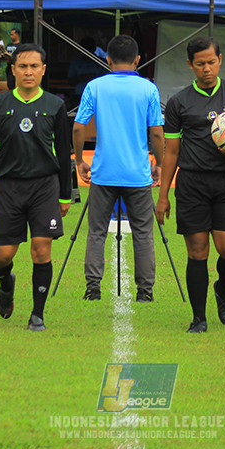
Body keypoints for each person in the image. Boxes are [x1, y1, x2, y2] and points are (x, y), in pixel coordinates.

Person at [155, 37, 225, 333]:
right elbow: (171, 151)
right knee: (197, 252)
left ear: (220, 60)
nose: (206, 68)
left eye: (211, 62)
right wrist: (163, 196)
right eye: (200, 63)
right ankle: (198, 318)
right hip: (192, 183)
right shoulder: (179, 102)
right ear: (190, 65)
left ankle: (223, 289)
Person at [0, 44, 72, 332]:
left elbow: (63, 155)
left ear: (43, 70)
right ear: (13, 70)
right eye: (23, 66)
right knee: (3, 255)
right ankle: (6, 283)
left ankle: (37, 315)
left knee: (42, 250)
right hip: (9, 187)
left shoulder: (55, 105)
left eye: (34, 66)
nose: (28, 72)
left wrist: (66, 194)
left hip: (45, 187)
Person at [73, 35, 164, 302]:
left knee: (97, 231)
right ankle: (145, 291)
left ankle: (93, 288)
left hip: (103, 172)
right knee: (144, 233)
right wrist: (157, 163)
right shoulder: (148, 88)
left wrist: (79, 159)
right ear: (137, 60)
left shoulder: (96, 86)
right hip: (137, 174)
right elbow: (157, 133)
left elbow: (79, 126)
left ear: (108, 59)